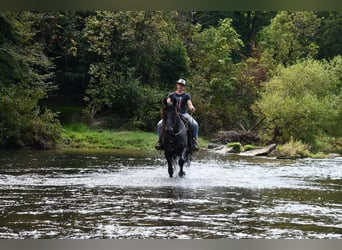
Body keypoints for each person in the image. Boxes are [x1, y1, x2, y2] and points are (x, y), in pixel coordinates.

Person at [155, 78, 199, 151]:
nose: (180, 86)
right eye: (179, 84)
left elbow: (190, 104)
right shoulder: (171, 95)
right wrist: (166, 105)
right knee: (159, 124)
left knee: (195, 124)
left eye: (182, 85)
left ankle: (194, 141)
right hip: (172, 114)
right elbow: (167, 103)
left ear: (184, 87)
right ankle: (160, 141)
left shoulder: (186, 95)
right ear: (177, 85)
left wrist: (192, 108)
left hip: (183, 113)